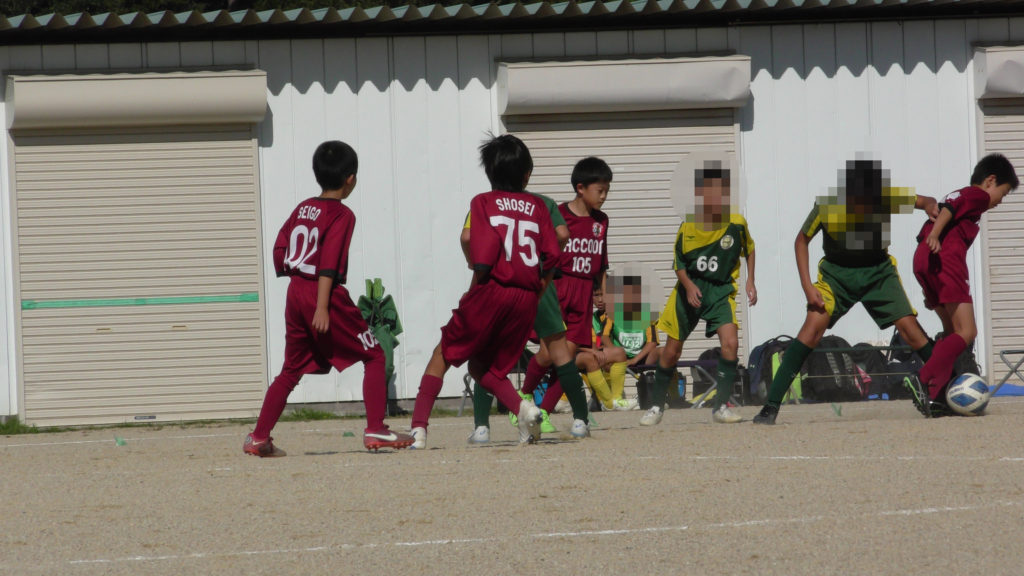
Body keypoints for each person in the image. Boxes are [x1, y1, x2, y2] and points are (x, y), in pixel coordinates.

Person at [244, 140, 414, 456]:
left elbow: (280, 249)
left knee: (291, 369)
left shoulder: (302, 208)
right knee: (374, 354)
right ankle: (376, 428)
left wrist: (296, 276)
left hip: (296, 290)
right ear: (350, 179)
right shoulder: (342, 214)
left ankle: (258, 437)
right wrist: (322, 305)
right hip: (322, 292)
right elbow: (329, 261)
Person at [753, 158, 939, 425]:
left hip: (878, 272)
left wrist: (931, 205)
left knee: (910, 331)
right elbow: (801, 241)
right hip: (837, 276)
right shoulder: (826, 206)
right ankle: (770, 407)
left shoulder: (886, 197)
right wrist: (807, 287)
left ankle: (948, 388)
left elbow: (925, 201)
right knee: (811, 329)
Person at [408, 133, 560, 448]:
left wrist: (473, 290)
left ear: (489, 173)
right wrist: (540, 288)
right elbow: (553, 253)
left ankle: (418, 430)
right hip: (526, 297)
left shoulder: (482, 202)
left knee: (442, 354)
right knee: (482, 367)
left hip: (493, 289)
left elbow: (480, 251)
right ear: (527, 174)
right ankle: (524, 409)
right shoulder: (538, 206)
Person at [640, 159, 756, 426]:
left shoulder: (736, 223)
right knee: (672, 351)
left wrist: (751, 280)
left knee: (731, 344)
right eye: (709, 190)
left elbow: (750, 249)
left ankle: (721, 406)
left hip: (720, 291)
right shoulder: (689, 225)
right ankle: (656, 406)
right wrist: (689, 286)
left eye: (720, 190)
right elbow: (678, 263)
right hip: (689, 291)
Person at [907, 153, 1019, 417]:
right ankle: (922, 379)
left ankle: (937, 397)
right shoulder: (977, 195)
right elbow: (951, 205)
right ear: (990, 181)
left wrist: (928, 283)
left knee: (951, 333)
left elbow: (945, 211)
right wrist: (937, 234)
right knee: (967, 332)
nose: (1000, 202)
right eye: (1003, 194)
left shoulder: (968, 199)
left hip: (926, 260)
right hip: (946, 260)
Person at [518, 157, 614, 431]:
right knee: (548, 354)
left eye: (607, 190)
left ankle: (543, 414)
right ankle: (524, 397)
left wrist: (603, 292)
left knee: (568, 359)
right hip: (558, 287)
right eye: (600, 190)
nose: (604, 196)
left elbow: (601, 261)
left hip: (583, 292)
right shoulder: (558, 214)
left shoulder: (602, 221)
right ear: (580, 188)